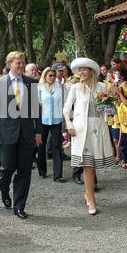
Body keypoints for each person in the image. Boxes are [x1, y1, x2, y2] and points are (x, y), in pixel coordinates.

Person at [0, 51, 42, 220]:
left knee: (25, 172)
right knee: (7, 169)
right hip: (6, 134)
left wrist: (38, 131)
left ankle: (19, 206)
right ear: (9, 64)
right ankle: (4, 190)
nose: (20, 65)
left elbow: (36, 110)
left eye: (22, 62)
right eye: (17, 63)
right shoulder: (0, 83)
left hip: (26, 135)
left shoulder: (30, 83)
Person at [63, 57, 114, 215]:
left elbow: (108, 111)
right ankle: (91, 198)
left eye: (84, 69)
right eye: (80, 70)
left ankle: (88, 192)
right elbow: (66, 110)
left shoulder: (101, 86)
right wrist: (69, 124)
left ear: (92, 71)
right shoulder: (76, 88)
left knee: (93, 163)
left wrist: (110, 103)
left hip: (98, 128)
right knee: (87, 164)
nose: (81, 72)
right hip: (80, 129)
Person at [37, 68, 64, 182]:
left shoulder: (59, 87)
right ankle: (42, 171)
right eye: (50, 76)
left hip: (57, 120)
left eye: (54, 76)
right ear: (45, 76)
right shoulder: (40, 88)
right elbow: (38, 104)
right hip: (43, 120)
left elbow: (63, 102)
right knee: (41, 146)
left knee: (56, 146)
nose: (53, 78)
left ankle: (57, 175)